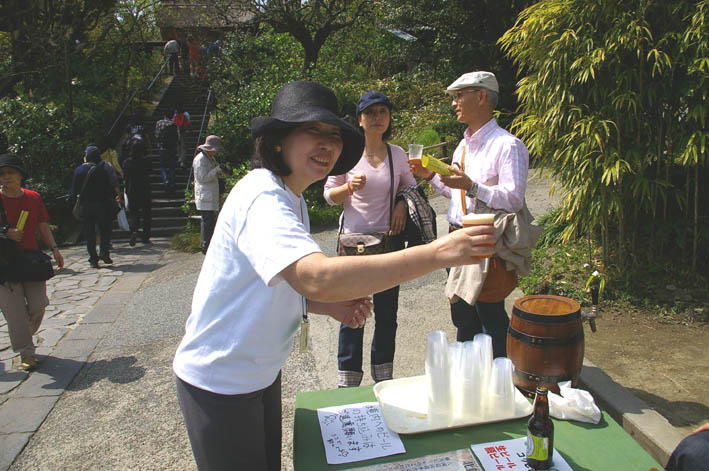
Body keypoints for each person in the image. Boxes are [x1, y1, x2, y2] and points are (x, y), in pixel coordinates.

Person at [172, 80, 496, 471]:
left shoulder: (291, 197)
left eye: (333, 135)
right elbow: (316, 276)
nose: (326, 144)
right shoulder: (262, 196)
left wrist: (324, 307)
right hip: (219, 380)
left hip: (257, 374)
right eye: (312, 131)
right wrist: (439, 251)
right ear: (277, 141)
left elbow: (273, 285)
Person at [410, 71, 530, 358]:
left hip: (485, 239)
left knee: (490, 315)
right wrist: (432, 177)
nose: (454, 103)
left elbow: (513, 198)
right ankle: (469, 379)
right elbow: (459, 195)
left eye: (459, 96)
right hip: (457, 237)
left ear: (481, 96)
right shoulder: (464, 145)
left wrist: (472, 186)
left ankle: (500, 378)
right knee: (463, 316)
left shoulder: (507, 145)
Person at [323, 91, 417, 387]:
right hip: (353, 245)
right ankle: (348, 380)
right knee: (353, 311)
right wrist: (348, 187)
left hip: (387, 244)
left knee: (387, 314)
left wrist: (401, 204)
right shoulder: (346, 154)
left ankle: (384, 378)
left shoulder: (397, 154)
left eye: (383, 112)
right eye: (371, 113)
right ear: (359, 119)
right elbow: (328, 196)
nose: (377, 118)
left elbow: (411, 189)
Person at [0, 153, 64, 370]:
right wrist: (6, 233)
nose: (6, 177)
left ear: (20, 175)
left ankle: (22, 334)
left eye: (11, 172)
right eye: (2, 173)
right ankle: (26, 352)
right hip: (4, 265)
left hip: (31, 260)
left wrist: (55, 249)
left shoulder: (33, 197)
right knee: (15, 312)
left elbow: (42, 226)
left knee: (38, 305)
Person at [70, 145, 117, 268]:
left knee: (89, 233)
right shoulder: (102, 170)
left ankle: (93, 259)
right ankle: (104, 252)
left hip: (86, 206)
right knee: (105, 230)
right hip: (101, 205)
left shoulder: (78, 171)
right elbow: (109, 189)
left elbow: (74, 192)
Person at [192, 135, 226, 255]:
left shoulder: (210, 159)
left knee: (210, 220)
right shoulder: (200, 159)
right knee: (207, 221)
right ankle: (205, 246)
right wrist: (216, 170)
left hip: (210, 193)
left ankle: (209, 244)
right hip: (205, 194)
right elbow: (202, 177)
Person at [121, 134, 152, 246]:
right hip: (144, 189)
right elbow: (150, 172)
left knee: (134, 213)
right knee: (146, 213)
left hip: (131, 189)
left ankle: (134, 230)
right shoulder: (146, 161)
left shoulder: (126, 163)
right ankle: (146, 236)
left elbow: (124, 176)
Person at [154, 112, 180, 193]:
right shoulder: (174, 124)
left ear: (164, 115)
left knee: (162, 165)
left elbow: (157, 135)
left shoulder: (159, 123)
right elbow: (178, 137)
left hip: (162, 147)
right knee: (172, 166)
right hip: (172, 148)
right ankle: (172, 182)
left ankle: (166, 179)